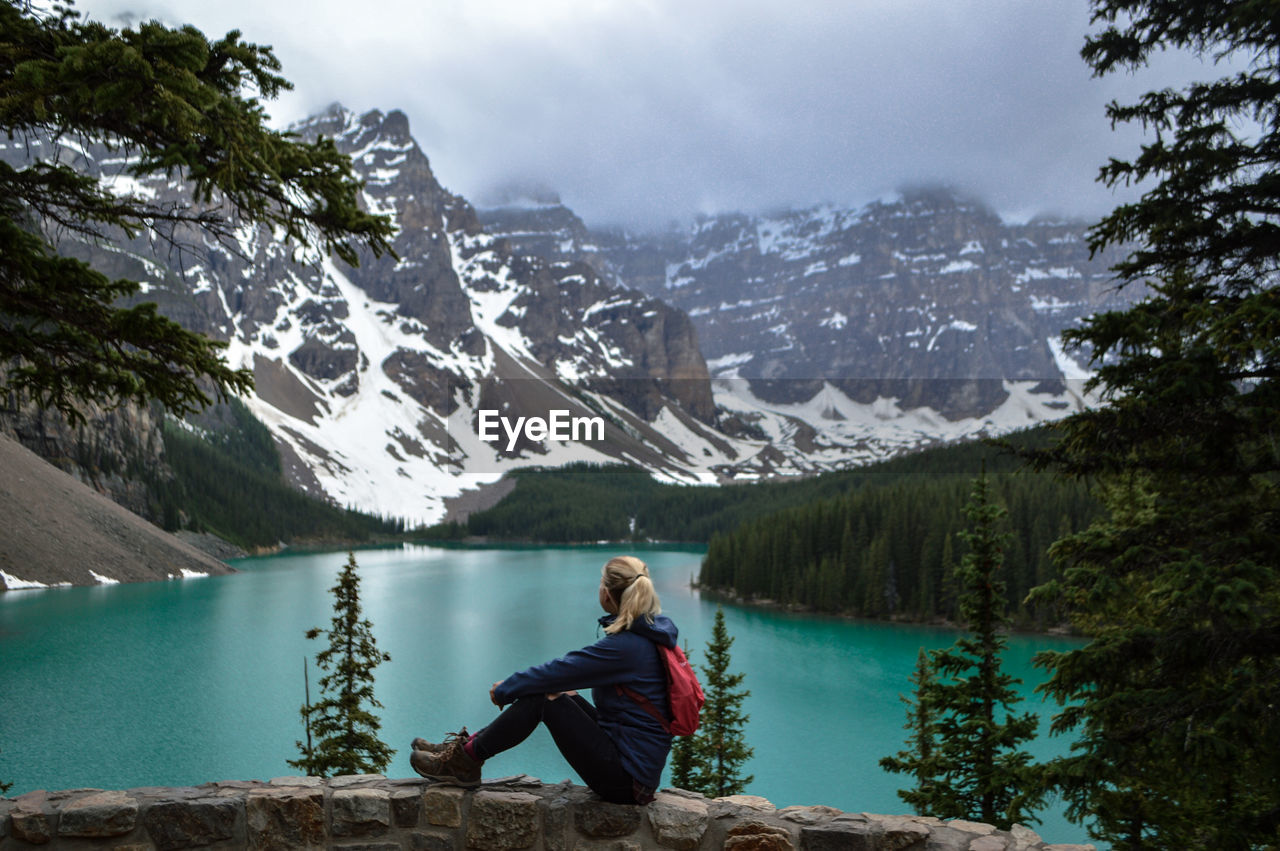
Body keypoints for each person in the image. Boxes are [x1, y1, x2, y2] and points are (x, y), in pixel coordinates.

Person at [409, 555, 677, 805]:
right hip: (631, 766)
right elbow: (563, 676)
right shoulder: (646, 634)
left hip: (626, 782)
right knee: (561, 691)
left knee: (543, 697)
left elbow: (559, 670)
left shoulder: (628, 647)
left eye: (600, 583)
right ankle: (463, 750)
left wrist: (506, 688)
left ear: (606, 594)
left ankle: (464, 762)